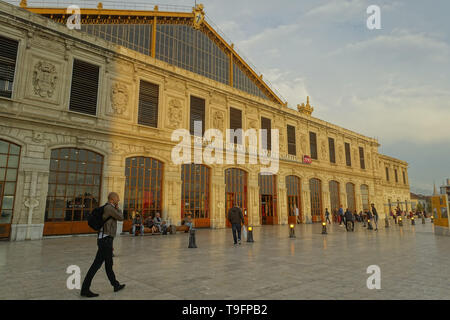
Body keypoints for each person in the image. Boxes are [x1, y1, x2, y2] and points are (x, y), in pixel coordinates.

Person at [80, 192, 125, 298]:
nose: (119, 200)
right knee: (97, 265)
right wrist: (118, 208)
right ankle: (85, 289)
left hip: (105, 240)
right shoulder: (109, 208)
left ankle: (115, 285)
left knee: (108, 264)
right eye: (117, 198)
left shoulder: (108, 208)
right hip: (105, 240)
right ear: (112, 199)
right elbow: (121, 217)